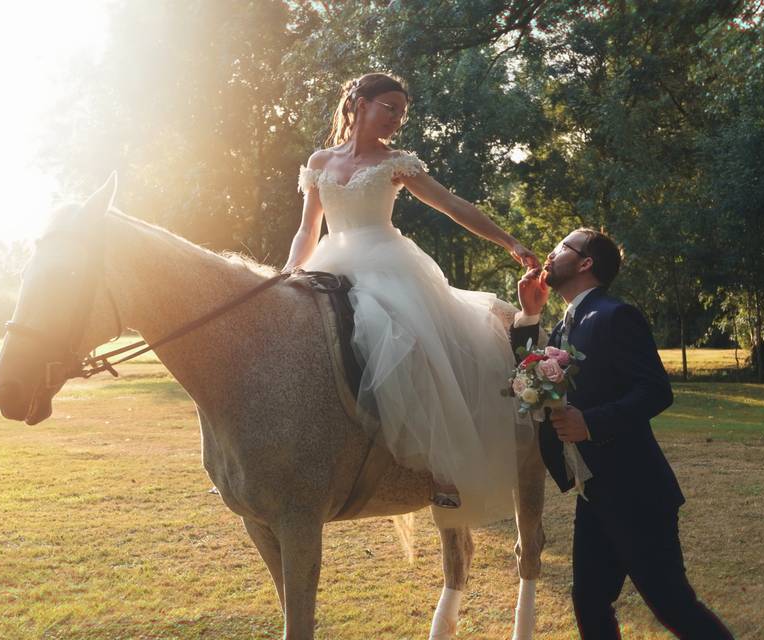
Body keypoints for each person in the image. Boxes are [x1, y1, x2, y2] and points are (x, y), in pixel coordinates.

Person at [283, 72, 538, 526]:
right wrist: (288, 274)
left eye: (402, 113)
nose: (397, 120)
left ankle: (440, 470)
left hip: (386, 265)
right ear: (360, 104)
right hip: (330, 260)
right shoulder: (320, 160)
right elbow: (308, 228)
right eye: (390, 108)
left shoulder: (397, 162)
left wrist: (509, 241)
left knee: (401, 335)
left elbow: (451, 204)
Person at [511, 228, 734, 639]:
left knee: (672, 605)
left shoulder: (615, 315)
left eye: (562, 246)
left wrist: (591, 423)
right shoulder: (563, 328)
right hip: (593, 490)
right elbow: (529, 375)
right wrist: (529, 315)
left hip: (637, 493)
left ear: (585, 262)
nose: (550, 252)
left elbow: (655, 390)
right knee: (589, 602)